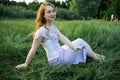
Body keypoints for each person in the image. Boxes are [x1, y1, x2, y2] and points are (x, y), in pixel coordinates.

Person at [15, 2, 105, 69]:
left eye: (53, 11)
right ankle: (96, 57)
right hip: (57, 60)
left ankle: (94, 55)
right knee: (80, 41)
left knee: (77, 43)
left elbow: (62, 38)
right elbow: (33, 49)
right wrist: (26, 64)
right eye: (49, 12)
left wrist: (73, 47)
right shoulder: (41, 31)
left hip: (60, 52)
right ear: (43, 15)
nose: (52, 14)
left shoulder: (52, 26)